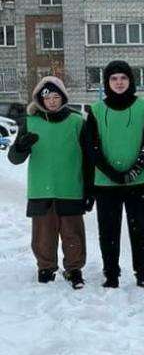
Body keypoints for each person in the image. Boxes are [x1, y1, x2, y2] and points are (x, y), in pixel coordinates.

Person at [7, 77, 90, 288]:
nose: (52, 101)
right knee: (43, 233)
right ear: (39, 99)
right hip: (41, 187)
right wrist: (21, 147)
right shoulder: (31, 122)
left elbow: (89, 158)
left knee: (73, 232)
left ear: (63, 98)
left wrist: (90, 189)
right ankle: (46, 267)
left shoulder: (77, 122)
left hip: (70, 186)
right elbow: (14, 159)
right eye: (47, 97)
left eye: (56, 96)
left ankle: (74, 269)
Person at [85, 60, 144, 290]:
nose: (118, 82)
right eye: (114, 78)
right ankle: (111, 275)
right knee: (108, 231)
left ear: (130, 81)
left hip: (138, 181)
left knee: (140, 231)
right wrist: (112, 173)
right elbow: (91, 148)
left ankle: (143, 274)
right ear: (107, 82)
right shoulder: (96, 110)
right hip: (106, 183)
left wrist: (134, 170)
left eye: (123, 78)